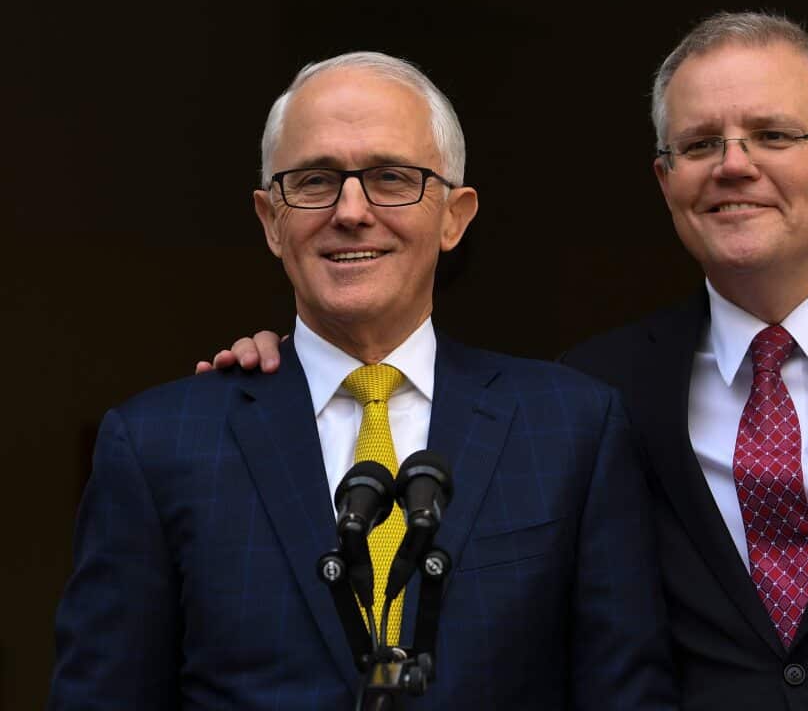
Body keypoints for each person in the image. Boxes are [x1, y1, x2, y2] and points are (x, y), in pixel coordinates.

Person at [205, 14, 808, 709]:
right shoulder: (590, 394)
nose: (733, 164)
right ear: (664, 180)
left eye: (772, 133)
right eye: (699, 144)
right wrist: (288, 370)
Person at [50, 52, 675, 710]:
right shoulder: (158, 446)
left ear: (454, 215)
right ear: (270, 220)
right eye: (316, 180)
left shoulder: (572, 427)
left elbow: (625, 694)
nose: (351, 210)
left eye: (390, 177)